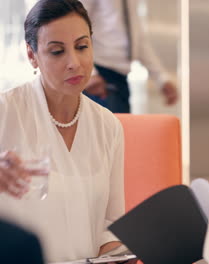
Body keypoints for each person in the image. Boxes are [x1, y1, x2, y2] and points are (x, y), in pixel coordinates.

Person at [0, 0, 125, 262]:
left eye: (82, 47)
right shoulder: (5, 112)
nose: (74, 63)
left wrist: (115, 254)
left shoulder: (108, 125)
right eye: (57, 51)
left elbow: (111, 223)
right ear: (32, 55)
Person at [80, 0, 178, 113]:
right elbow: (78, 25)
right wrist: (90, 72)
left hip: (121, 78)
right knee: (105, 128)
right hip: (100, 75)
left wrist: (161, 78)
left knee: (121, 127)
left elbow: (137, 38)